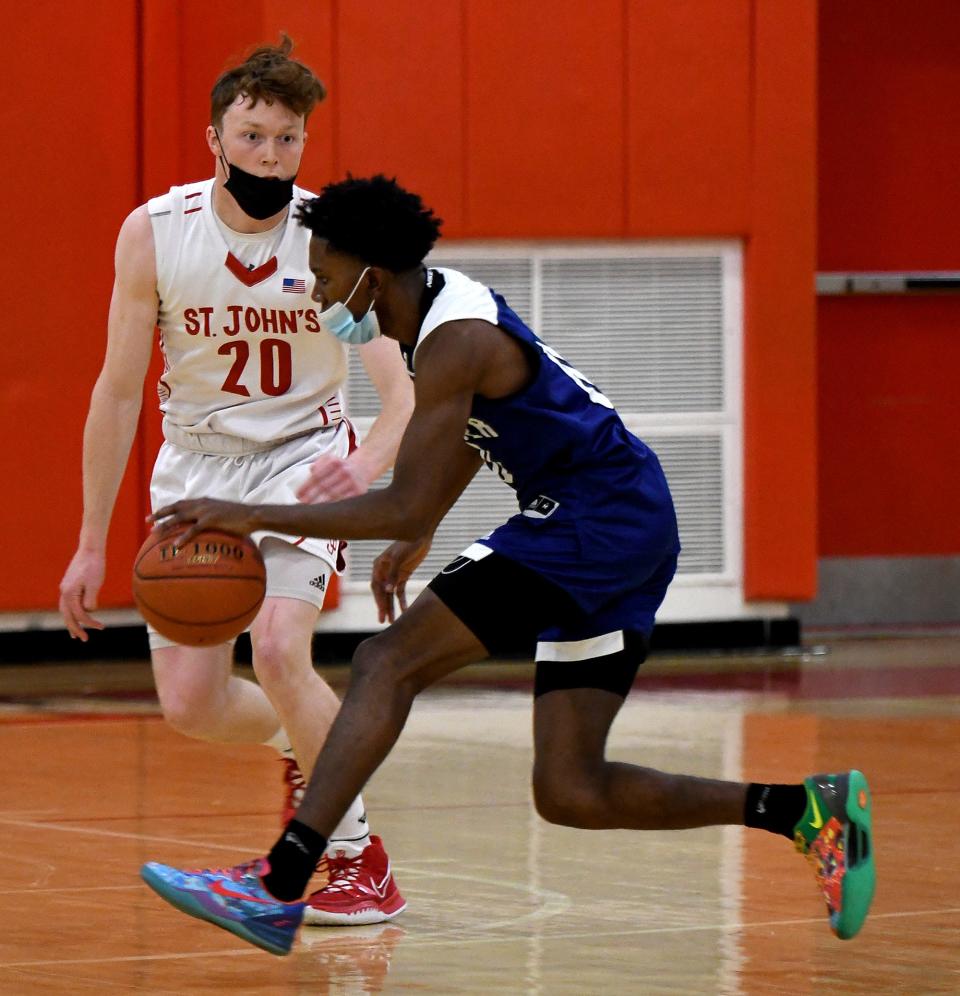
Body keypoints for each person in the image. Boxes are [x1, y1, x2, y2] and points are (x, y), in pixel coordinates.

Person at [139, 175, 876, 956]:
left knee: (385, 660)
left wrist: (255, 515)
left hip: (595, 520)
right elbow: (463, 439)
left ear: (370, 276)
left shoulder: (453, 338)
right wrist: (417, 533)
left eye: (324, 274)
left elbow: (401, 503)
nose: (318, 290)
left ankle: (279, 883)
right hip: (624, 525)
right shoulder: (436, 315)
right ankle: (804, 811)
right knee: (570, 789)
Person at [58, 45, 413, 926]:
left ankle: (359, 860)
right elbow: (115, 391)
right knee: (191, 705)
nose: (267, 154)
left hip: (301, 454)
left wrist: (364, 466)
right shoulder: (155, 232)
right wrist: (91, 542)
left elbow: (401, 389)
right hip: (198, 465)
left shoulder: (333, 238)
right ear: (214, 134)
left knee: (282, 649)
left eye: (286, 140)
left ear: (302, 144)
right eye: (251, 135)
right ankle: (311, 742)